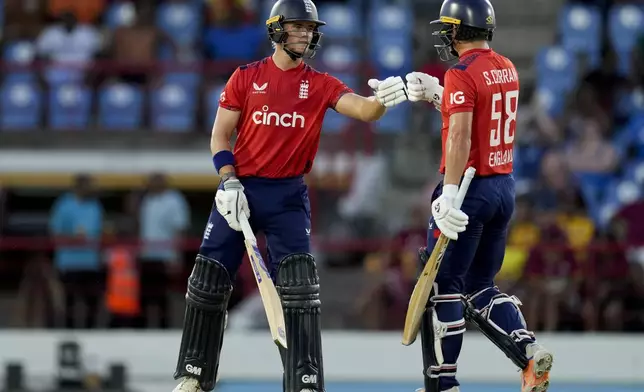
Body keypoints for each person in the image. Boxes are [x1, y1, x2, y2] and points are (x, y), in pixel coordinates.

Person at [171, 1, 408, 391]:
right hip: (239, 192)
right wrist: (228, 180)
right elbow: (219, 137)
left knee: (299, 287)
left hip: (287, 196)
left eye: (310, 28)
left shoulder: (320, 84)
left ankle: (304, 379)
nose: (307, 34)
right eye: (298, 27)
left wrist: (385, 96)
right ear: (277, 30)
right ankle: (193, 375)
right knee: (208, 279)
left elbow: (365, 112)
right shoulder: (246, 78)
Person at [404, 1, 553, 391]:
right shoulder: (507, 65)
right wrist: (439, 95)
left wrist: (449, 193)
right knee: (482, 286)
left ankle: (443, 383)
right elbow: (479, 116)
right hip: (503, 186)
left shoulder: (461, 71)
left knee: (444, 287)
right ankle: (529, 353)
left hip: (468, 187)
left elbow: (460, 135)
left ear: (456, 30)